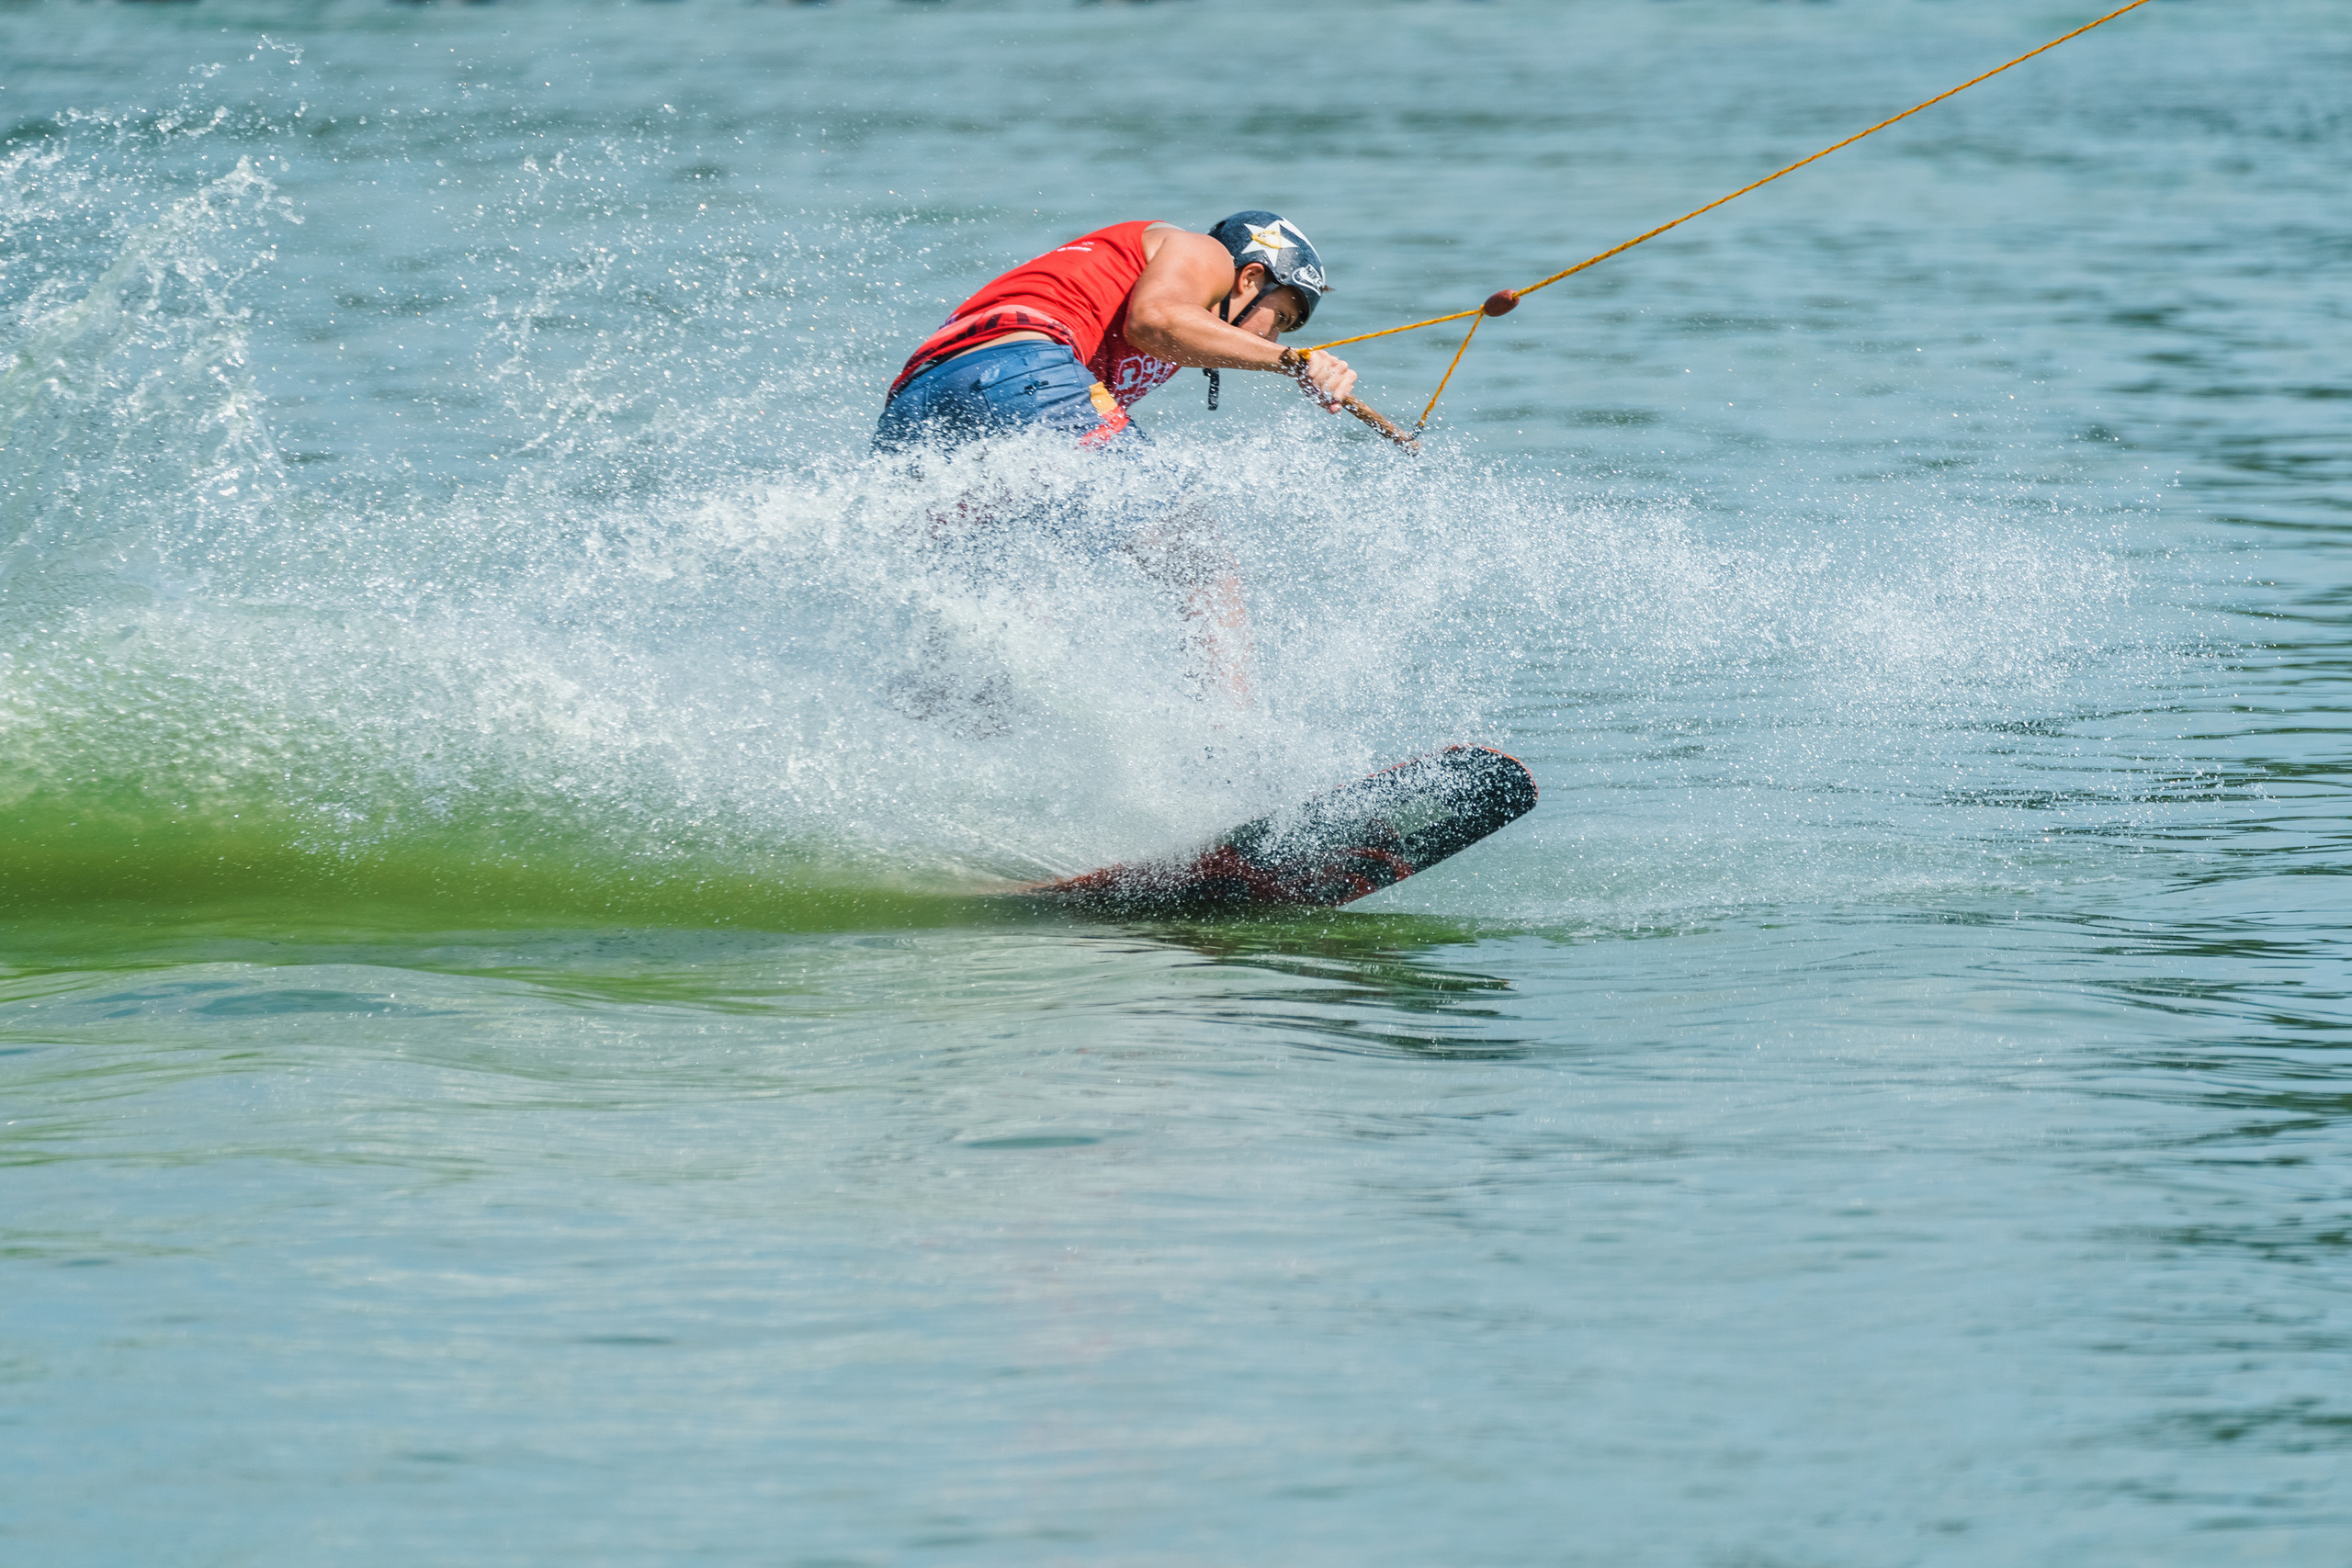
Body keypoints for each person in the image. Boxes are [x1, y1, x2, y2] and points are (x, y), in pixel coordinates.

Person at [873, 213, 1358, 705]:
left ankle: (929, 759)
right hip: (1021, 369)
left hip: (917, 408)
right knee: (1201, 563)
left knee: (995, 616)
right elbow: (1156, 321)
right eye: (1281, 319)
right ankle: (1235, 757)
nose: (1274, 338)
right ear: (1250, 278)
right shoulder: (1205, 255)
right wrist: (1292, 361)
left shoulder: (1152, 324)